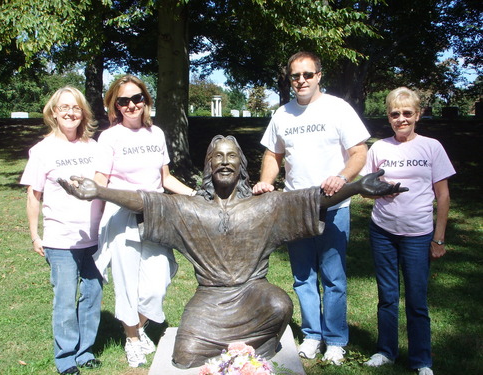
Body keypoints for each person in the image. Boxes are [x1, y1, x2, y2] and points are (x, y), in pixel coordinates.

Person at [58, 134, 407, 369]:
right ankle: (248, 345)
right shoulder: (191, 208)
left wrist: (357, 185)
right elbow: (147, 200)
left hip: (253, 293)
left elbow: (312, 199)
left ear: (241, 165)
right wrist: (100, 191)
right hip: (211, 299)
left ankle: (255, 345)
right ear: (209, 165)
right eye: (217, 157)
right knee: (184, 357)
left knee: (279, 303)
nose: (225, 163)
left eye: (231, 157)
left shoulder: (264, 207)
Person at [253, 51, 370, 364]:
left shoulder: (337, 109)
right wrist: (266, 181)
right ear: (290, 79)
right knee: (303, 278)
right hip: (295, 208)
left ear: (319, 76)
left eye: (307, 74)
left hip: (333, 206)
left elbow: (359, 153)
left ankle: (335, 340)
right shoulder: (282, 114)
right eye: (295, 76)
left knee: (333, 278)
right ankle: (312, 335)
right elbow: (271, 156)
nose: (301, 81)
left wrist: (341, 177)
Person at [93, 74, 195, 368]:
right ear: (115, 106)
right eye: (123, 101)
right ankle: (133, 339)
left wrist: (195, 194)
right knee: (127, 283)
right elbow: (100, 181)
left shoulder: (157, 134)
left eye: (136, 98)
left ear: (146, 101)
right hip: (122, 216)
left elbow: (165, 179)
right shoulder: (109, 137)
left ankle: (137, 326)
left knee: (158, 279)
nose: (131, 105)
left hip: (155, 215)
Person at [361, 87, 455, 375]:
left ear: (418, 115)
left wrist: (438, 238)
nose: (401, 119)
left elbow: (443, 196)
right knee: (387, 295)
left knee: (416, 299)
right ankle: (386, 351)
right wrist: (380, 193)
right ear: (388, 117)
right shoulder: (379, 148)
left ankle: (421, 360)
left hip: (418, 234)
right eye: (395, 114)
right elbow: (366, 189)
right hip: (383, 231)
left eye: (407, 113)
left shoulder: (432, 146)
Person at [20, 87, 103, 375]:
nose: (70, 112)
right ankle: (66, 358)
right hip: (60, 240)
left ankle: (85, 351)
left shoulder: (94, 148)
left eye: (76, 108)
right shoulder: (42, 151)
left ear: (83, 113)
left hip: (95, 238)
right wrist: (35, 234)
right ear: (54, 112)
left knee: (92, 295)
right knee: (65, 299)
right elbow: (34, 195)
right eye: (64, 107)